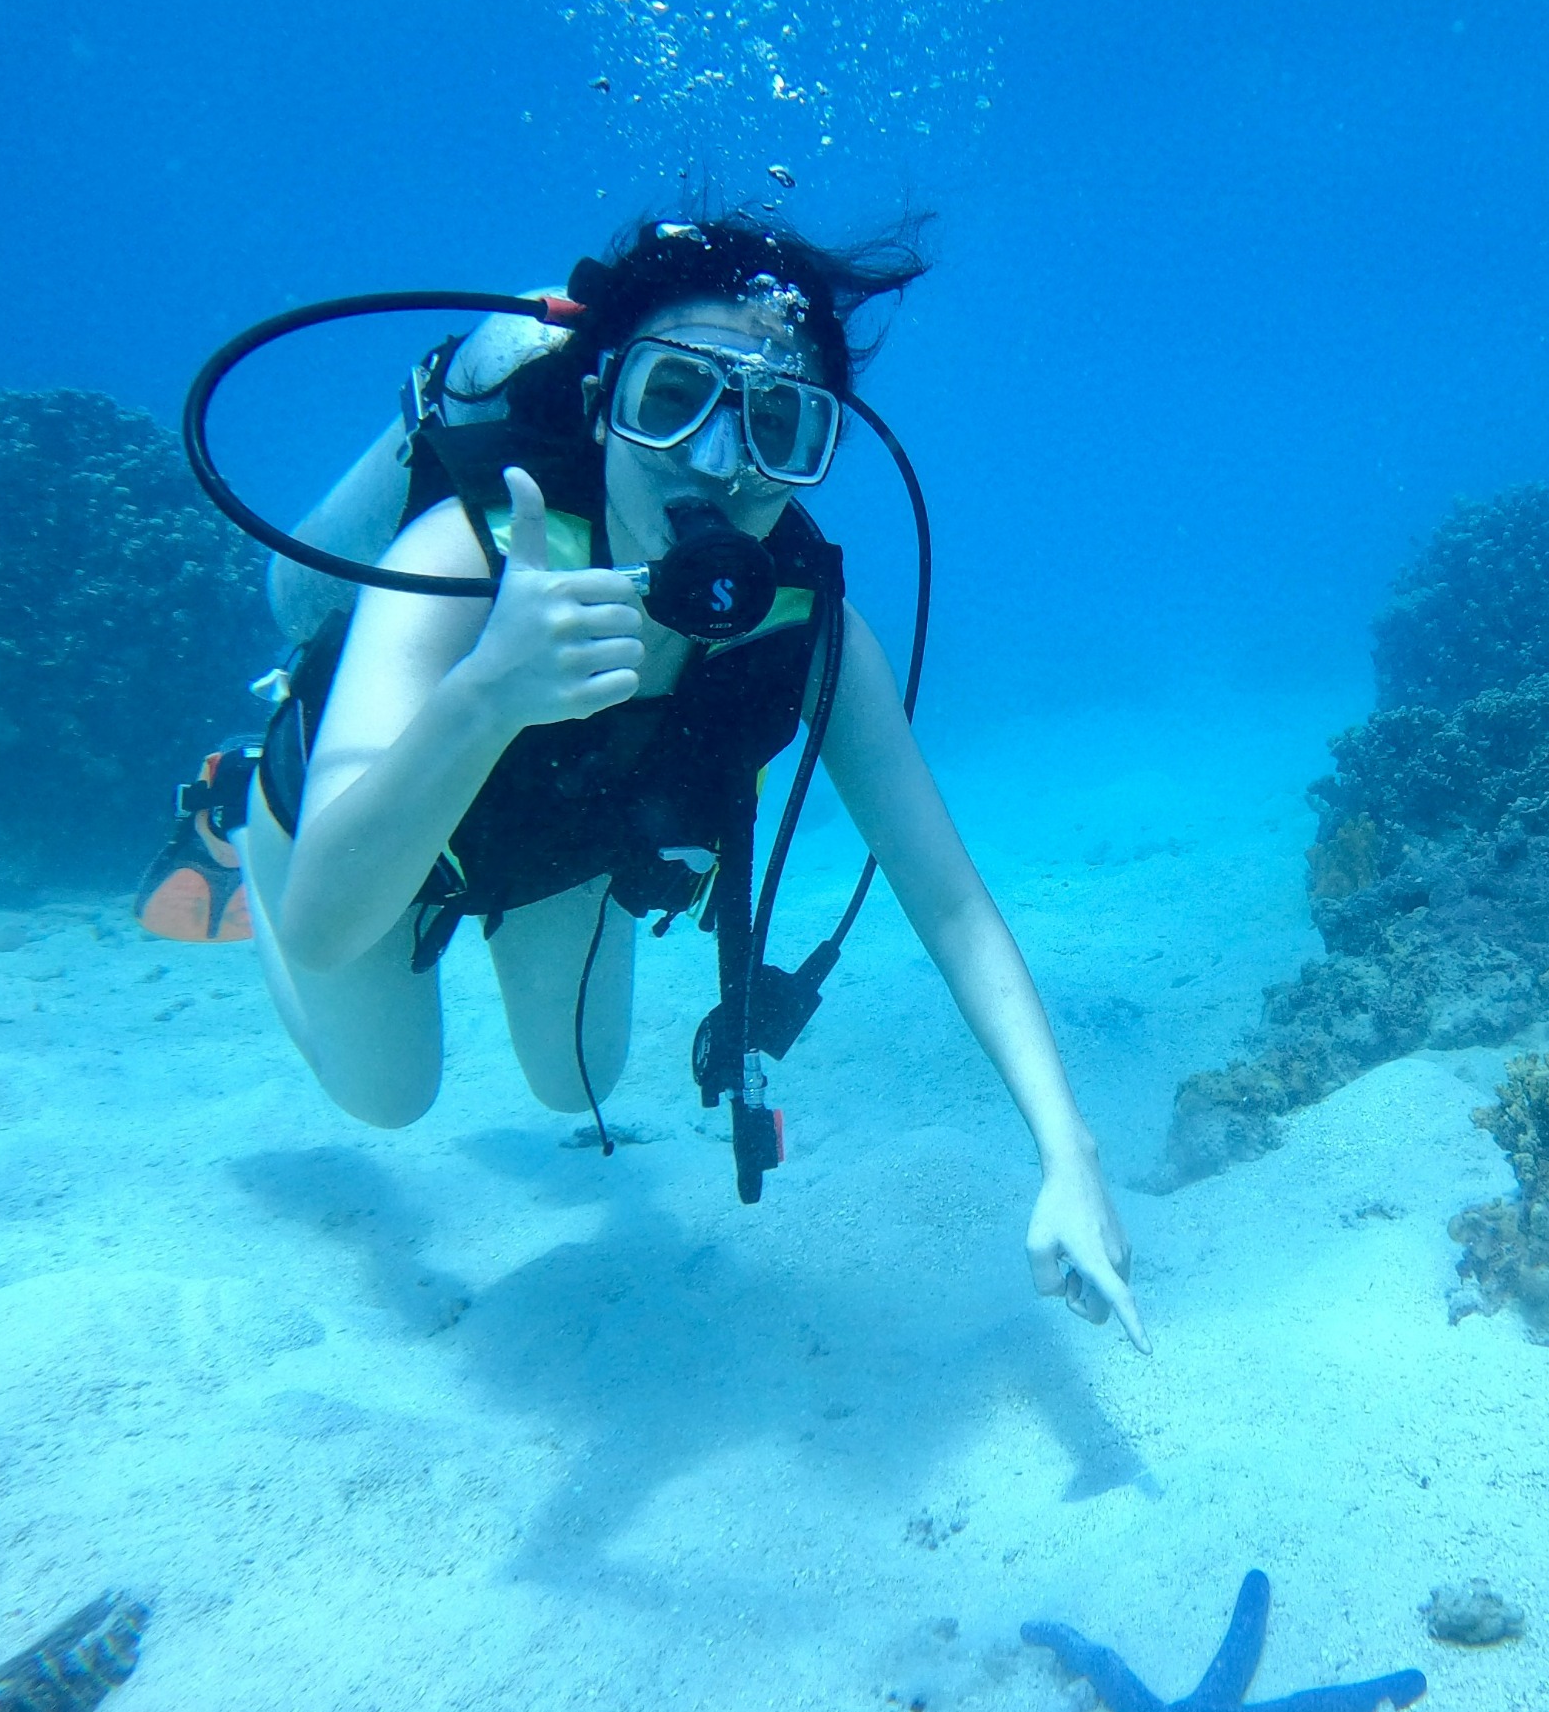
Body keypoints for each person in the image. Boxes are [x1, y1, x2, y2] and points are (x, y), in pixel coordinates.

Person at [233, 214, 1144, 1351]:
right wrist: (485, 695)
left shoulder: (812, 634)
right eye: (672, 400)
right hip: (347, 838)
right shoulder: (462, 556)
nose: (717, 463)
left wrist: (1071, 1152)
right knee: (388, 1096)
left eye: (777, 424)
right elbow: (328, 925)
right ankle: (233, 813)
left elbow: (949, 901)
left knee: (580, 1084)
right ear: (604, 396)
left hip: (547, 847)